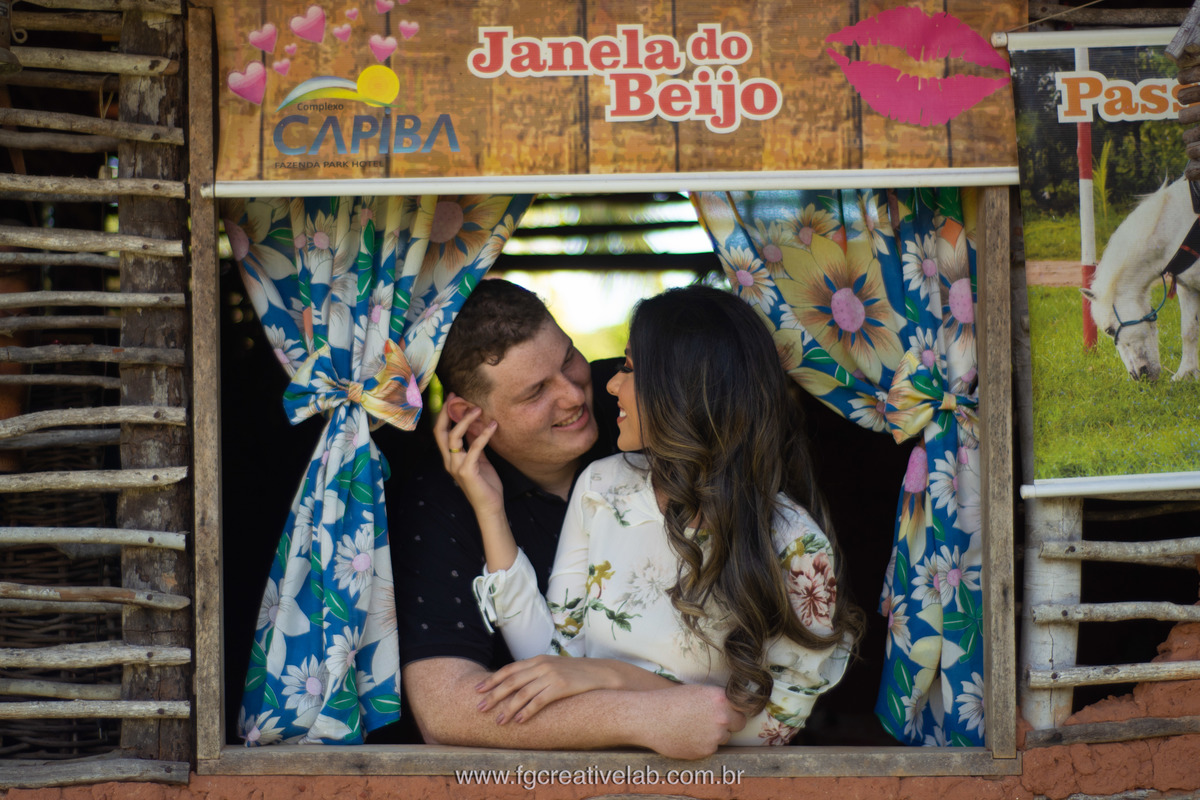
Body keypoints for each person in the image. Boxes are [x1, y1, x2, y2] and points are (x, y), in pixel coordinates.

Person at [446, 285, 865, 747]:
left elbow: (770, 730)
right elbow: (550, 663)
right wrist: (490, 509)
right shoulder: (601, 487)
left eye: (629, 368)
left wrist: (613, 676)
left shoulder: (795, 543)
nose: (610, 385)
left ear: (685, 390)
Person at [390, 279, 744, 759]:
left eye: (569, 358)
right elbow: (446, 711)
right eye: (536, 391)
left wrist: (635, 696)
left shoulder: (637, 402)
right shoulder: (437, 501)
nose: (576, 395)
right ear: (467, 414)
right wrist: (644, 716)